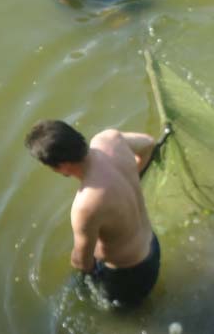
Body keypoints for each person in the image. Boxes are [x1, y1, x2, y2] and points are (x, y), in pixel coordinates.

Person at [24, 120, 161, 306]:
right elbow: (148, 143)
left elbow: (82, 262)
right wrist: (130, 176)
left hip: (130, 274)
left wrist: (80, 269)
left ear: (62, 165)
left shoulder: (85, 205)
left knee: (120, 314)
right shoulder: (110, 139)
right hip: (152, 245)